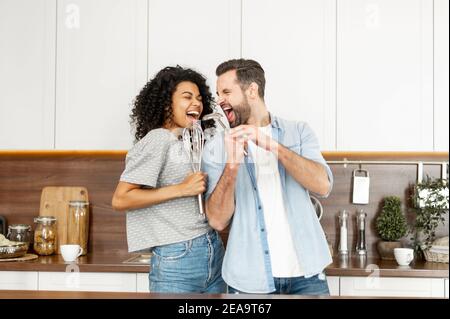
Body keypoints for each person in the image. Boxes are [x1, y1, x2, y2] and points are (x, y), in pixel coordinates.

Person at [202, 59, 333, 295]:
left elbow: (322, 185)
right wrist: (232, 165)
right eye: (218, 93)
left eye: (227, 92)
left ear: (252, 90)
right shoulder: (216, 147)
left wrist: (273, 146)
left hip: (307, 276)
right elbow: (217, 220)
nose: (220, 100)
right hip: (248, 280)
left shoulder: (298, 132)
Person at [112, 66, 226, 293]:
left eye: (199, 98)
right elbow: (121, 198)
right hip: (177, 255)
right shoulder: (158, 139)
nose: (197, 103)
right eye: (187, 97)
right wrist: (182, 189)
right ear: (166, 104)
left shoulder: (188, 142)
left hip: (212, 248)